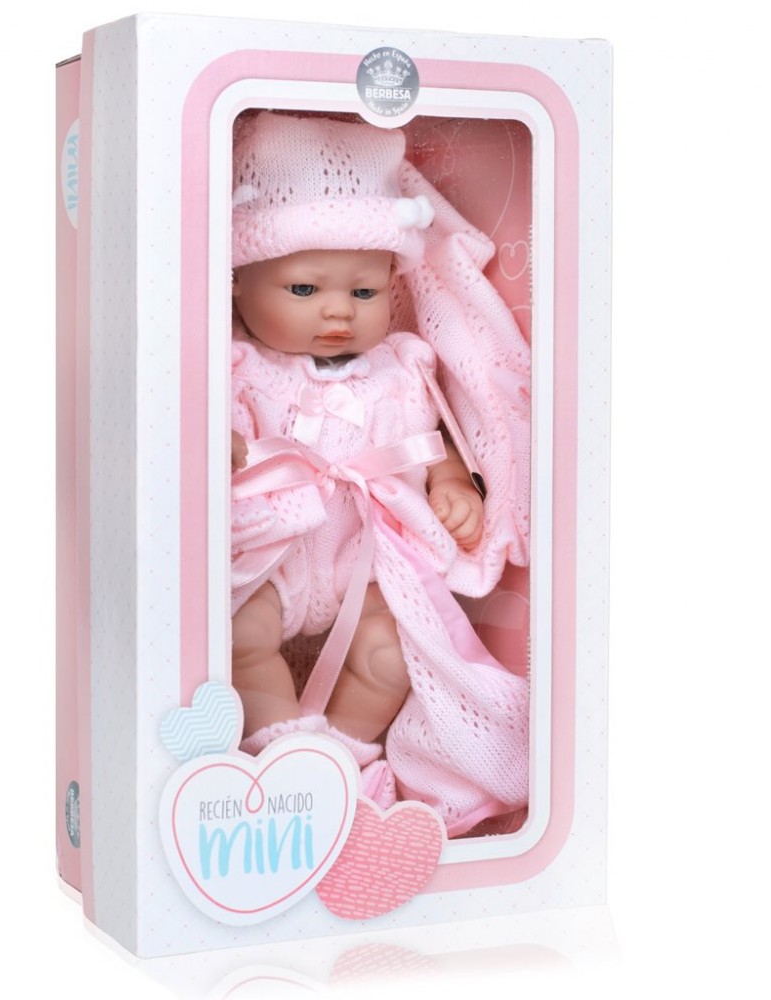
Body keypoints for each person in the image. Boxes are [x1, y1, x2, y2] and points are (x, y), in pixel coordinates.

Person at [229, 112, 531, 837]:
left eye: (363, 293)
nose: (338, 311)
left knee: (388, 655)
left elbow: (430, 439)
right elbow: (214, 434)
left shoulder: (400, 366)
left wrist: (452, 484)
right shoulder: (239, 366)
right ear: (238, 285)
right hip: (271, 556)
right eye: (304, 290)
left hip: (363, 561)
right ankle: (279, 760)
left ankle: (345, 765)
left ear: (390, 289)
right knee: (240, 641)